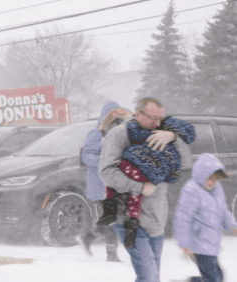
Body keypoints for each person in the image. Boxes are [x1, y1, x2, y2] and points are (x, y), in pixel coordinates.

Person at [99, 97, 193, 282]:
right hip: (127, 216)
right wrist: (139, 187)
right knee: (149, 276)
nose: (157, 123)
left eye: (160, 118)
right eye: (152, 118)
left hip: (156, 216)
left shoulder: (163, 133)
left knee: (152, 275)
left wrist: (173, 137)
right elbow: (106, 171)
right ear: (138, 114)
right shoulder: (119, 134)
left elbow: (186, 163)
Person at [96, 115, 195, 249]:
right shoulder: (127, 133)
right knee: (131, 202)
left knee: (126, 203)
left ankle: (112, 220)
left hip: (149, 190)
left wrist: (173, 137)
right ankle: (116, 230)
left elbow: (185, 163)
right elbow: (108, 169)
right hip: (142, 182)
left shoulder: (157, 132)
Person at [77, 101, 130, 262]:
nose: (116, 122)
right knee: (111, 218)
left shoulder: (119, 135)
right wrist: (105, 161)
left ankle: (88, 237)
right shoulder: (96, 134)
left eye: (118, 119)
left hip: (115, 183)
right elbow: (87, 156)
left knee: (112, 218)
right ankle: (111, 254)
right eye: (113, 119)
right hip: (100, 185)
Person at [174, 153, 237, 282]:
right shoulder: (191, 191)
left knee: (218, 276)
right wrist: (185, 243)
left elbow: (223, 210)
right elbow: (183, 219)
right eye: (210, 178)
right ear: (201, 175)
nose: (212, 182)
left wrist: (231, 225)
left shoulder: (216, 189)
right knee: (213, 278)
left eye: (216, 179)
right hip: (197, 243)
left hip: (212, 243)